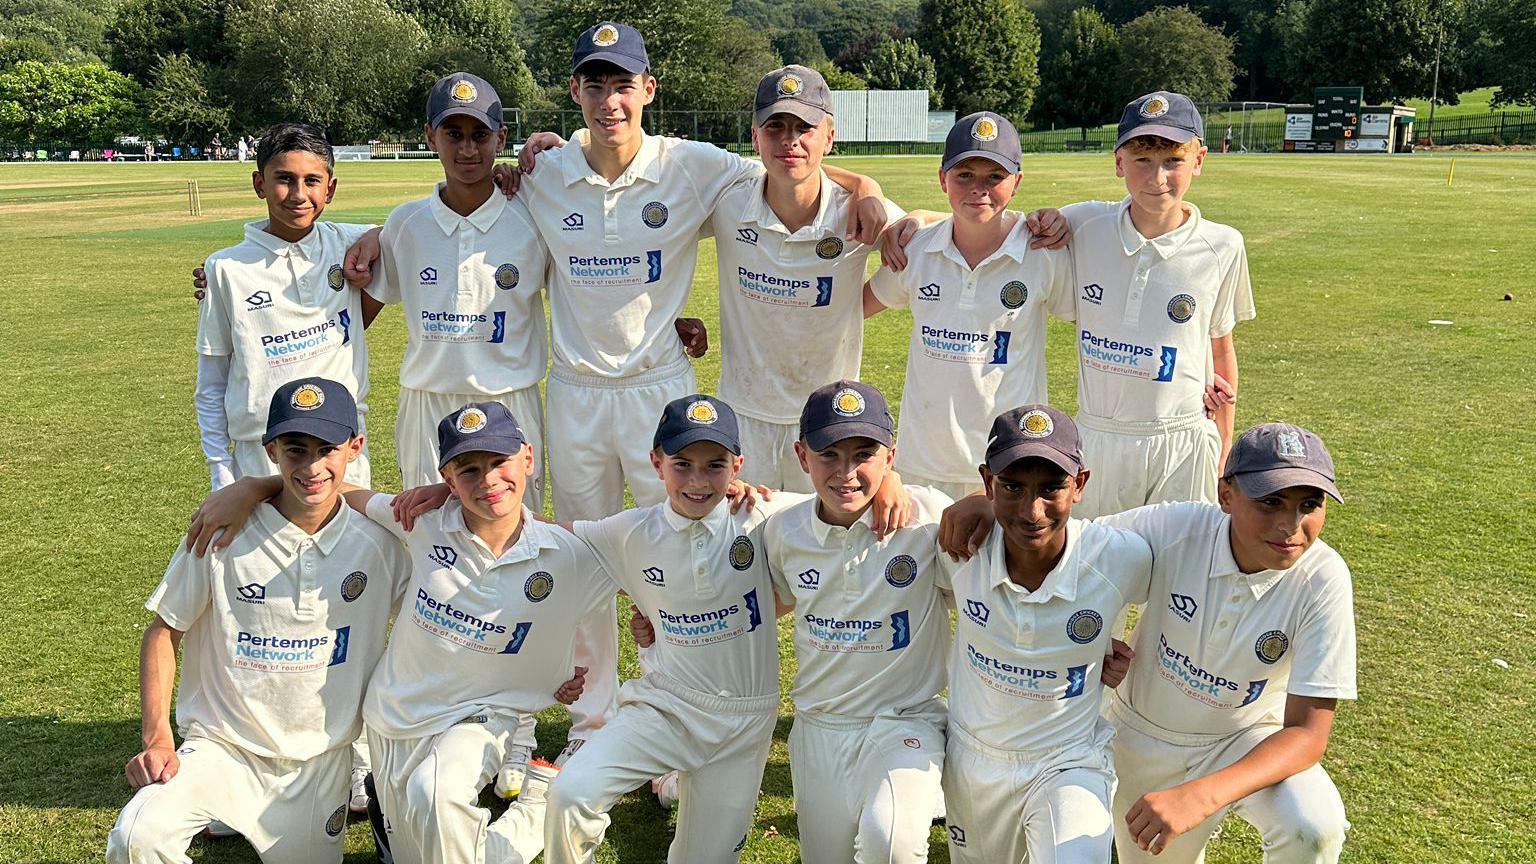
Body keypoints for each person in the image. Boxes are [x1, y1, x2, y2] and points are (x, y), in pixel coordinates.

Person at [939, 422, 1355, 863]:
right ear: (1226, 495)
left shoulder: (1323, 578)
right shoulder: (1175, 529)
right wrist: (984, 505)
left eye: (1310, 504)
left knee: (1313, 827)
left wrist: (1201, 795)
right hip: (1140, 734)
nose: (1291, 525)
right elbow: (1075, 545)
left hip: (1243, 738)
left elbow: (1307, 734)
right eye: (1270, 501)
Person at [106, 378, 409, 864]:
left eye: (327, 449)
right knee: (138, 836)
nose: (311, 467)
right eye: (295, 450)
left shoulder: (380, 543)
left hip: (320, 761)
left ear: (355, 448)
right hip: (222, 751)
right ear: (271, 450)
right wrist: (157, 735)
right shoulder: (222, 531)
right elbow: (165, 631)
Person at [542, 395, 788, 863]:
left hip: (743, 721)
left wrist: (893, 483)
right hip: (665, 707)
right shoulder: (629, 532)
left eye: (714, 465)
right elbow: (539, 533)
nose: (697, 481)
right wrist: (453, 495)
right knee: (571, 795)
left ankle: (676, 792)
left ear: (738, 464)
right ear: (656, 463)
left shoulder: (764, 517)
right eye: (682, 464)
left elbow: (846, 502)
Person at [939, 404, 1151, 864]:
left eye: (1051, 487)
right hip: (975, 760)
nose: (1032, 511)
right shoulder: (959, 545)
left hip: (1068, 759)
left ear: (1080, 484)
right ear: (987, 480)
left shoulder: (1119, 556)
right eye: (1012, 487)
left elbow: (1196, 570)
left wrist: (1131, 652)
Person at [758, 380, 952, 863]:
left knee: (892, 843)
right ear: (803, 456)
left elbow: (1005, 534)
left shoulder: (929, 518)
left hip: (905, 720)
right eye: (829, 455)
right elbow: (776, 600)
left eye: (864, 454)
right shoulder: (781, 530)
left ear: (892, 455)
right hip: (820, 726)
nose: (846, 473)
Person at [1057, 91, 1254, 519]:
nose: (1157, 177)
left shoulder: (1223, 246)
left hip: (1182, 440)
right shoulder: (1082, 225)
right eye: (1142, 160)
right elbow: (997, 226)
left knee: (1174, 573)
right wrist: (916, 221)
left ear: (1199, 160)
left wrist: (1221, 452)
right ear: (1118, 162)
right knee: (1096, 572)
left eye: (1173, 161)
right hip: (1099, 436)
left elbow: (1221, 349)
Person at [706, 67, 905, 492]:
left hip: (828, 421)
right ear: (755, 136)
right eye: (775, 126)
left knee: (821, 547)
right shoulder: (726, 200)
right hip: (744, 414)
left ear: (828, 138)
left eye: (804, 128)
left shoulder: (857, 209)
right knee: (745, 547)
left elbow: (939, 235)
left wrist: (868, 189)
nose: (789, 140)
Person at [864, 113, 1074, 501]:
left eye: (995, 176)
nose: (979, 188)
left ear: (1017, 182)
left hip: (1008, 464)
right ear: (942, 178)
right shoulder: (917, 249)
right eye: (964, 175)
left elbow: (1099, 321)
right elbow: (854, 309)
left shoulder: (1043, 254)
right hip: (921, 465)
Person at [366, 72, 551, 509]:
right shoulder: (405, 224)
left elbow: (589, 284)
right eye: (454, 134)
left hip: (509, 400)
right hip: (428, 403)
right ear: (431, 137)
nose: (468, 149)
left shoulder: (534, 219)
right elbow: (356, 308)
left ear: (501, 138)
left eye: (480, 135)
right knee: (429, 539)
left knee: (516, 542)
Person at [194, 122, 380, 493]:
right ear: (259, 183)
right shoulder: (226, 269)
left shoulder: (348, 242)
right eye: (284, 179)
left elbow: (412, 230)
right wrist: (220, 470)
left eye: (312, 180)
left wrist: (377, 235)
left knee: (347, 549)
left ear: (331, 188)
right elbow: (211, 383)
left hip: (340, 446)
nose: (298, 194)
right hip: (262, 452)